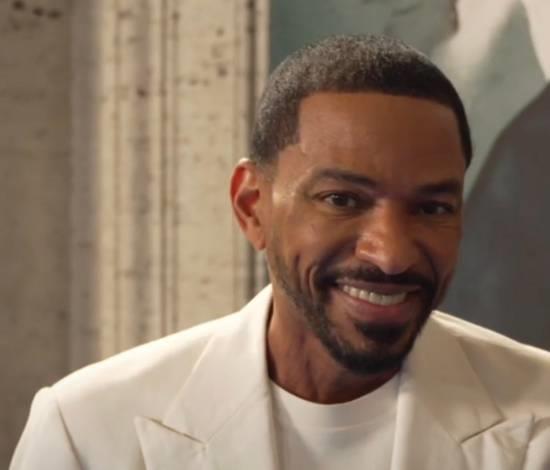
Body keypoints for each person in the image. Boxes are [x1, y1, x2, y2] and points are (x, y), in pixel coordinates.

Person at [10, 34, 550, 470]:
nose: (391, 255)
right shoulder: (88, 431)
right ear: (252, 207)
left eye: (432, 208)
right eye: (342, 200)